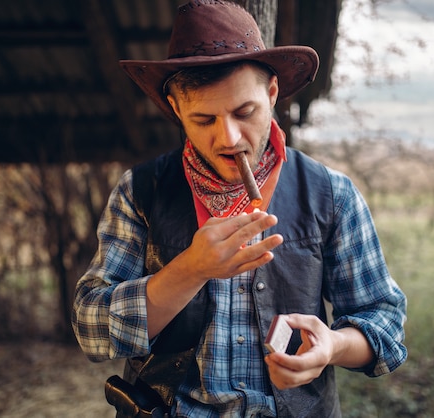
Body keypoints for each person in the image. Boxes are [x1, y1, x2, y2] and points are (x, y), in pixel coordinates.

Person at [72, 1, 407, 417]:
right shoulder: (140, 191)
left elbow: (386, 327)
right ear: (177, 110)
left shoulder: (331, 194)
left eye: (243, 112)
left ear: (271, 94)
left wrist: (332, 346)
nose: (228, 137)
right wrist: (190, 269)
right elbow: (90, 329)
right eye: (204, 120)